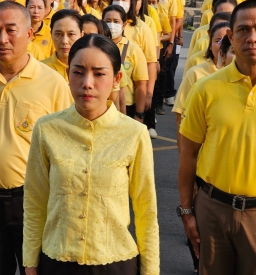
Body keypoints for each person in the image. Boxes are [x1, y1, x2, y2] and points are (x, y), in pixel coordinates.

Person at [23, 34, 159, 275]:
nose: (87, 82)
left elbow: (146, 210)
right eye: (78, 72)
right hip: (58, 261)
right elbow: (35, 201)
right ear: (68, 75)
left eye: (99, 73)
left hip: (115, 262)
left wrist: (151, 271)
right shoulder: (46, 129)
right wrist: (30, 263)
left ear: (116, 78)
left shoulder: (134, 134)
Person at [0, 1, 72, 275]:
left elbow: (66, 152)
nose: (2, 38)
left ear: (30, 34)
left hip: (34, 201)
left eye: (10, 29)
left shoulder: (53, 83)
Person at [178, 0, 256, 275]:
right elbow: (188, 153)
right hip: (212, 208)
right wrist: (187, 212)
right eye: (242, 30)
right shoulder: (205, 89)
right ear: (230, 36)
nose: (252, 37)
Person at [102, 5, 150, 128]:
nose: (111, 25)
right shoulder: (97, 47)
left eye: (116, 21)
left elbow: (141, 84)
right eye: (107, 21)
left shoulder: (134, 50)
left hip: (127, 107)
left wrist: (139, 115)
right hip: (101, 105)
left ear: (123, 25)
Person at [42, 9, 83, 82]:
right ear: (51, 34)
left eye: (71, 34)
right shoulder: (40, 69)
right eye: (58, 34)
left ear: (81, 35)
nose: (64, 41)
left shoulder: (90, 69)